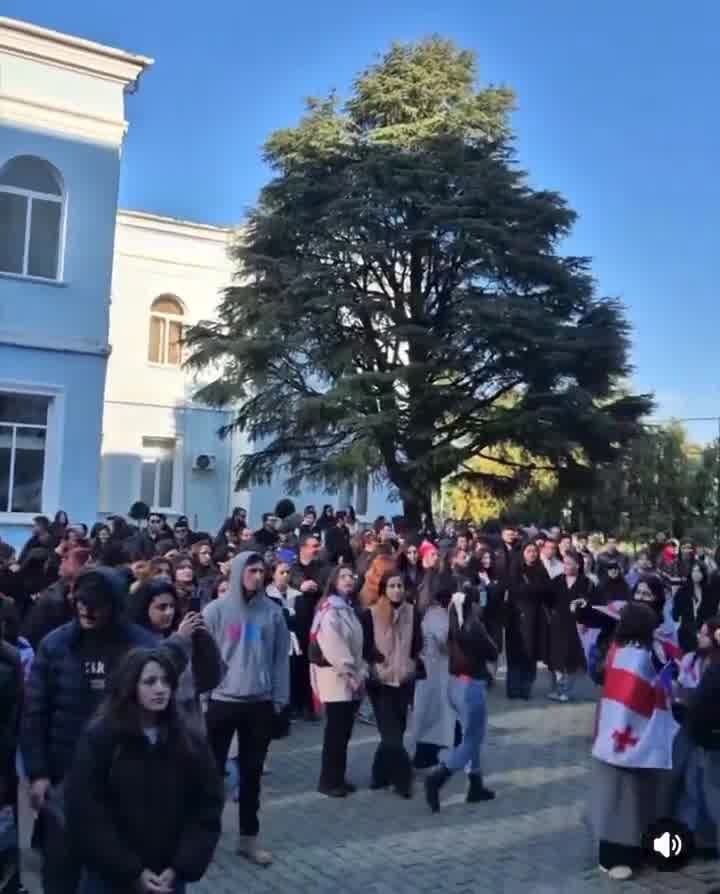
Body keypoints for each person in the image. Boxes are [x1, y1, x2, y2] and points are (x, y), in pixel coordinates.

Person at [21, 567, 173, 894]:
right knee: (61, 875)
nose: (87, 611)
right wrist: (38, 773)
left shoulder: (143, 647)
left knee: (116, 876)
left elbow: (165, 714)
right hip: (65, 783)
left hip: (124, 785)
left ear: (115, 604)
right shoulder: (55, 645)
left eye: (96, 604)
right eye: (81, 603)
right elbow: (35, 713)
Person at [65, 648, 223, 894]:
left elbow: (207, 806)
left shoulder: (189, 740)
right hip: (110, 879)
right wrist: (130, 870)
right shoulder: (101, 738)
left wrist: (181, 866)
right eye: (150, 681)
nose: (160, 689)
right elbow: (86, 812)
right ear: (130, 685)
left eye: (166, 681)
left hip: (168, 877)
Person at [202, 552, 289, 866]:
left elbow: (281, 658)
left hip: (259, 704)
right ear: (238, 572)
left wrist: (280, 697)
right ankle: (203, 839)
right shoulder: (215, 611)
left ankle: (248, 840)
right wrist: (202, 698)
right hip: (222, 702)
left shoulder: (273, 613)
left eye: (261, 571)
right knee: (211, 776)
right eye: (251, 570)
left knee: (251, 776)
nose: (257, 575)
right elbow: (203, 659)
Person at [590, 602, 678, 880]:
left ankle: (614, 853)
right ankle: (618, 856)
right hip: (631, 736)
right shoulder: (639, 656)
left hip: (611, 733)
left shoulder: (617, 650)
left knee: (613, 798)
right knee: (627, 801)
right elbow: (644, 693)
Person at [424, 585, 499, 812]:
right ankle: (439, 776)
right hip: (470, 687)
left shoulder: (455, 622)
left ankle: (475, 785)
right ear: (472, 604)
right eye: (478, 602)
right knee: (472, 739)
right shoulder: (473, 625)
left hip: (456, 684)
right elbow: (493, 651)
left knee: (470, 736)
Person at [128, 579, 222, 733]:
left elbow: (208, 681)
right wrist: (180, 639)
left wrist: (204, 641)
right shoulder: (135, 642)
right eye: (162, 607)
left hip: (189, 727)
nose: (169, 612)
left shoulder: (180, 635)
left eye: (172, 606)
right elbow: (156, 670)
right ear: (144, 608)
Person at [362, 572, 422, 798]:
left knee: (395, 732)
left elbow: (417, 643)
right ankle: (403, 780)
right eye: (392, 586)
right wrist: (376, 659)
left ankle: (379, 775)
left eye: (400, 586)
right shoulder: (371, 613)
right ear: (383, 589)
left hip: (404, 679)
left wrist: (412, 664)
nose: (397, 590)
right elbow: (364, 645)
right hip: (381, 681)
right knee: (391, 735)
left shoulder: (412, 612)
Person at [310, 566, 366, 797]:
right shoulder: (330, 610)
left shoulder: (347, 608)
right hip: (337, 680)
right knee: (335, 733)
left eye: (351, 576)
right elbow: (335, 647)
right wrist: (352, 674)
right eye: (343, 577)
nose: (349, 580)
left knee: (342, 733)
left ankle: (337, 777)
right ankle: (329, 781)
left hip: (349, 679)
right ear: (333, 581)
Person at [671, 617, 720, 857]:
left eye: (705, 634)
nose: (700, 638)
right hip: (691, 729)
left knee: (709, 790)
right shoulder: (691, 659)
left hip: (709, 735)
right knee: (691, 784)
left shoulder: (715, 666)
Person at [412, 587, 456, 770]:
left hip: (432, 671)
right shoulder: (438, 615)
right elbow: (445, 643)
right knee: (436, 715)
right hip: (436, 672)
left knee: (432, 714)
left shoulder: (429, 614)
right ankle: (427, 757)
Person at [291, 535, 331, 722]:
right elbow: (292, 578)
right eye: (314, 546)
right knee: (296, 664)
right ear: (303, 548)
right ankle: (295, 705)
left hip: (316, 621)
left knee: (311, 664)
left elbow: (325, 586)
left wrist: (313, 587)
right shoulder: (293, 565)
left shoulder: (322, 567)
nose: (317, 549)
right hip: (296, 623)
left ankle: (309, 706)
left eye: (319, 545)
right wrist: (301, 584)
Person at [505, 543, 550, 700]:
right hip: (516, 617)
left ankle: (526, 688)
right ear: (523, 553)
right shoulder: (515, 569)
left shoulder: (540, 570)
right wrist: (532, 589)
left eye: (535, 551)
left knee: (530, 653)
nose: (532, 554)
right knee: (515, 653)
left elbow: (547, 590)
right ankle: (513, 688)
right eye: (529, 551)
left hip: (535, 618)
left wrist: (530, 588)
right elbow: (514, 589)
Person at [22, 547, 90, 650]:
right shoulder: (53, 596)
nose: (62, 560)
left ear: (82, 567)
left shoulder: (59, 596)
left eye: (67, 558)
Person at [546, 552, 591, 702]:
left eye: (569, 563)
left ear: (578, 565)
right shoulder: (556, 581)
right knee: (557, 657)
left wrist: (583, 606)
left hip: (577, 625)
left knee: (573, 658)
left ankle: (566, 690)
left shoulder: (587, 583)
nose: (565, 566)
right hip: (558, 624)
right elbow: (548, 601)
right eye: (564, 563)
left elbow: (592, 603)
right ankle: (559, 689)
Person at [673, 561, 719, 655]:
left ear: (704, 573)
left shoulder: (710, 592)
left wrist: (706, 627)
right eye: (694, 571)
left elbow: (713, 613)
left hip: (705, 636)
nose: (696, 574)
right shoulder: (682, 592)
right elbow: (675, 615)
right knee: (688, 661)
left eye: (699, 571)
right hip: (686, 634)